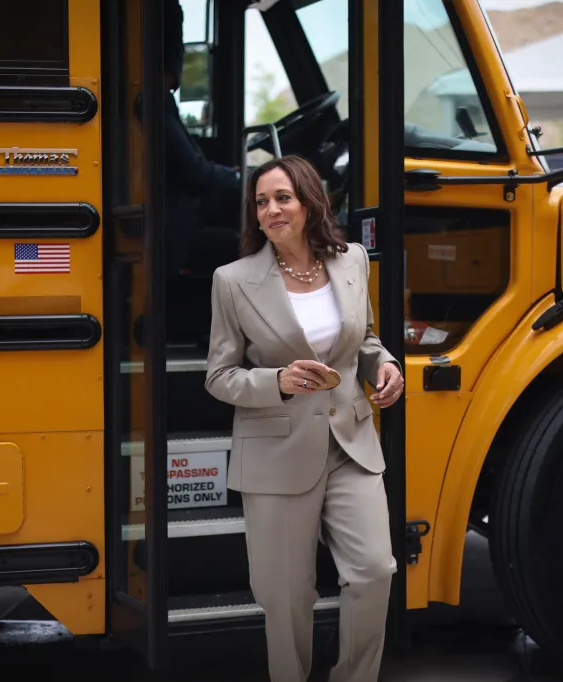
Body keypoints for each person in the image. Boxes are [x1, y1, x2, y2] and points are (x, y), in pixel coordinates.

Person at [204, 155, 404, 682]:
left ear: (310, 203)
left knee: (374, 571)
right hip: (275, 449)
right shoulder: (233, 281)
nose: (271, 209)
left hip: (351, 441)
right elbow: (219, 376)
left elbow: (366, 340)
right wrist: (277, 382)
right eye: (262, 201)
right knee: (287, 595)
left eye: (282, 198)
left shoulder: (352, 260)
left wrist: (384, 366)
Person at [162, 0, 241, 275]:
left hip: (170, 214)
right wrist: (237, 178)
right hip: (169, 224)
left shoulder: (154, 101)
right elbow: (193, 170)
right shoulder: (150, 102)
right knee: (243, 238)